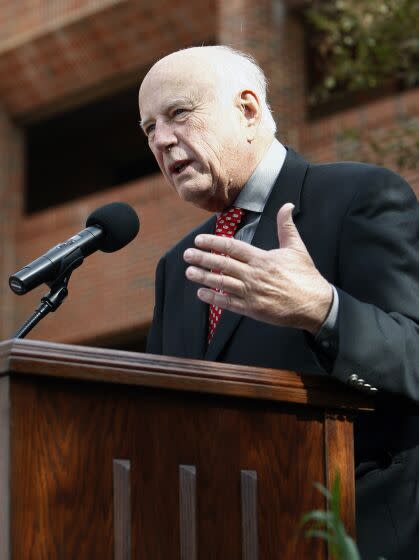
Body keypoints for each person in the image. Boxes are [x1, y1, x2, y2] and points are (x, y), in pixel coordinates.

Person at [138, 45, 419, 559]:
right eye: (148, 128)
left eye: (178, 113)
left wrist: (323, 310)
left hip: (353, 535)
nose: (160, 139)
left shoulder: (360, 196)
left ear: (247, 109)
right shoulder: (176, 267)